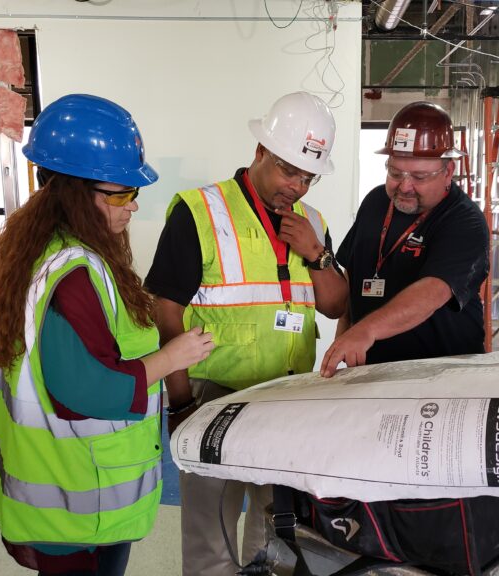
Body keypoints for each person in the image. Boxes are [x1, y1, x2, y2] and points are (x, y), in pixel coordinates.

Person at [0, 94, 215, 576]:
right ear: (74, 193)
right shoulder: (74, 274)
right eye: (121, 194)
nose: (133, 205)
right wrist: (174, 356)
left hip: (65, 487)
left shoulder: (44, 251)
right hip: (80, 503)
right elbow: (87, 391)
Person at [145, 91, 348, 575]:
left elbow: (335, 305)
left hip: (286, 397)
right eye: (288, 170)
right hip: (213, 397)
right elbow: (165, 310)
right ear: (260, 151)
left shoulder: (312, 223)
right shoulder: (200, 211)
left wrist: (316, 253)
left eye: (308, 176)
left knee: (274, 527)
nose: (297, 186)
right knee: (210, 532)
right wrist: (181, 403)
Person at [320, 101, 489, 377]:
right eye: (395, 173)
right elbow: (353, 281)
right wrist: (343, 342)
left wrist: (366, 330)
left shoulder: (464, 220)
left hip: (442, 375)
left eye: (419, 177)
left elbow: (432, 291)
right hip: (373, 374)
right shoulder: (375, 202)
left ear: (448, 172)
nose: (405, 186)